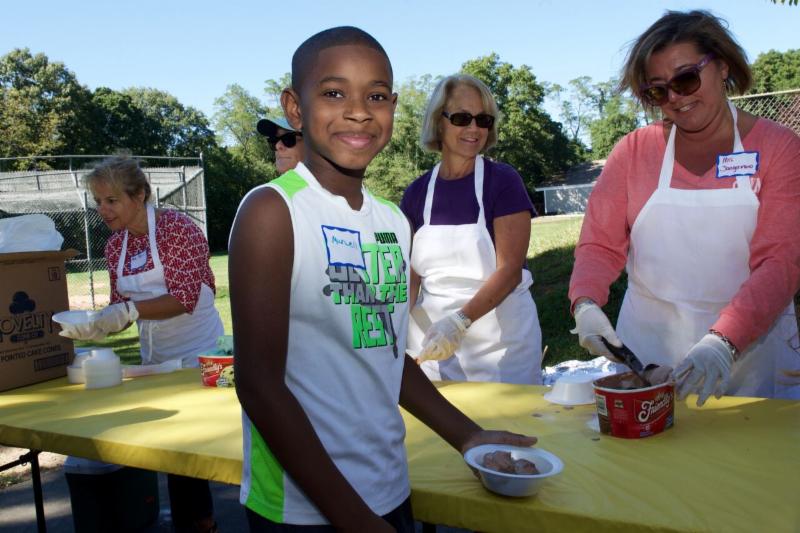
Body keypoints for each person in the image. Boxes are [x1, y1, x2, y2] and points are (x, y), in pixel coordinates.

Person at [229, 27, 537, 532]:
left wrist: (467, 435)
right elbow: (260, 386)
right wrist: (353, 518)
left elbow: (389, 356)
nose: (358, 111)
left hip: (388, 487)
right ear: (295, 108)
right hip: (307, 509)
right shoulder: (272, 211)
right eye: (333, 93)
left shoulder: (392, 221)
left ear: (393, 106)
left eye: (376, 96)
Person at [569, 10, 800, 406]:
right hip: (647, 358)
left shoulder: (779, 148)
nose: (676, 98)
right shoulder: (634, 152)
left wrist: (723, 341)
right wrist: (585, 302)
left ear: (722, 65)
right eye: (658, 90)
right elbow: (599, 245)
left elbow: (780, 261)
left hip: (750, 358)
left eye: (686, 78)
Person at [61, 156, 224, 533]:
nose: (102, 210)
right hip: (156, 358)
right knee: (166, 447)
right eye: (98, 202)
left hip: (198, 353)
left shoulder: (176, 229)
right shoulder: (115, 246)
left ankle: (202, 524)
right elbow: (123, 309)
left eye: (111, 200)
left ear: (140, 196)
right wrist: (98, 326)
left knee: (193, 451)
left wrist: (128, 311)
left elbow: (183, 297)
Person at [400, 74, 543, 384]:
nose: (474, 129)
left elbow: (509, 271)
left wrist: (459, 323)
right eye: (462, 118)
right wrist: (393, 333)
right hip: (431, 348)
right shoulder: (416, 194)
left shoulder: (503, 182)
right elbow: (409, 277)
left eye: (483, 120)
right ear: (439, 122)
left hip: (501, 353)